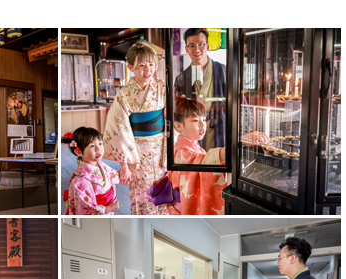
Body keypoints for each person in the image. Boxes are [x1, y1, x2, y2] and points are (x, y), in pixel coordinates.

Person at [103, 40, 168, 215]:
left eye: (151, 65)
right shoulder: (124, 94)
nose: (147, 70)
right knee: (141, 195)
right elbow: (119, 129)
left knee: (165, 191)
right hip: (137, 151)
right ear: (130, 67)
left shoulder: (162, 88)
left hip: (162, 149)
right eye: (141, 66)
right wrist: (123, 164)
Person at [174, 28, 267, 150]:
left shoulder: (225, 71)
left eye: (201, 44)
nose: (196, 49)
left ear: (207, 46)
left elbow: (240, 102)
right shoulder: (181, 78)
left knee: (219, 160)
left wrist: (243, 134)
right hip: (194, 133)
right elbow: (178, 110)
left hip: (221, 128)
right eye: (191, 46)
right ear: (186, 49)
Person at [167, 97, 229, 215]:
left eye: (204, 119)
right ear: (178, 126)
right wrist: (236, 147)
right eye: (195, 120)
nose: (202, 125)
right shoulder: (179, 151)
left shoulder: (193, 146)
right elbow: (204, 162)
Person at [63, 127, 120, 215]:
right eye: (92, 146)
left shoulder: (100, 164)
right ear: (79, 152)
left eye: (100, 143)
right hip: (103, 211)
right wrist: (107, 209)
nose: (98, 149)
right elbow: (84, 205)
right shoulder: (80, 180)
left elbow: (114, 176)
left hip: (109, 207)